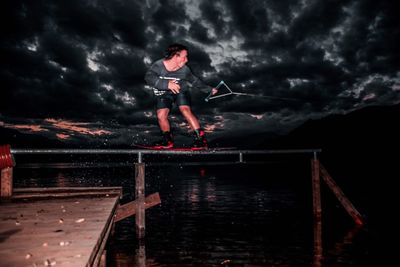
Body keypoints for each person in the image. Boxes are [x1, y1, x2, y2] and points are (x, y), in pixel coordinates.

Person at [145, 43, 218, 148]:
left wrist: (209, 89)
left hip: (181, 91)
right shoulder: (159, 65)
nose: (186, 60)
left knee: (185, 109)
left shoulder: (185, 70)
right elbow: (149, 77)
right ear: (175, 56)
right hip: (164, 93)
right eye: (184, 57)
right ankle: (167, 141)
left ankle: (201, 140)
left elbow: (195, 81)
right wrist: (167, 84)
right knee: (161, 114)